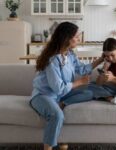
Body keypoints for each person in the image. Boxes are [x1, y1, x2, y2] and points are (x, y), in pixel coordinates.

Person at [29, 22, 103, 150]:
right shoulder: (52, 59)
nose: (79, 39)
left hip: (60, 96)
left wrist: (101, 59)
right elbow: (58, 88)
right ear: (67, 38)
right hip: (44, 96)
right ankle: (48, 148)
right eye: (76, 36)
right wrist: (79, 82)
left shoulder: (70, 54)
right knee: (57, 115)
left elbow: (82, 69)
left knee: (89, 92)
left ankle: (62, 104)